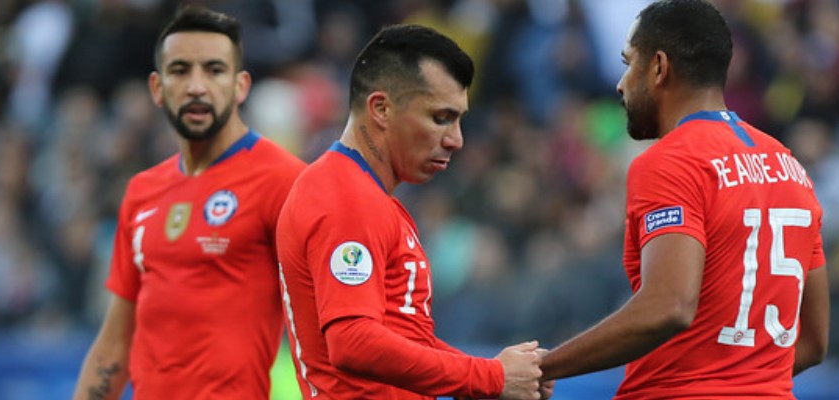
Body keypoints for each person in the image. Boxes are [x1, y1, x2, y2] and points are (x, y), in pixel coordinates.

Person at [540, 0, 830, 398]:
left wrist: (544, 367)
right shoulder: (790, 167)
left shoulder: (671, 161)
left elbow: (669, 306)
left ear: (659, 67)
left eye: (629, 63)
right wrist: (744, 380)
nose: (621, 84)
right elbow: (814, 340)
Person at [275, 24, 550, 400]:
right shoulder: (345, 196)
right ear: (381, 108)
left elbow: (404, 336)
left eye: (459, 120)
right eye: (441, 118)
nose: (456, 140)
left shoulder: (371, 197)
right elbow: (352, 341)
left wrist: (495, 375)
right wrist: (488, 376)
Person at [72, 6, 306, 400]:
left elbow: (334, 325)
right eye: (180, 71)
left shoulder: (286, 182)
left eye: (214, 70)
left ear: (241, 86)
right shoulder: (142, 191)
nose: (196, 86)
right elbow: (114, 345)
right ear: (157, 88)